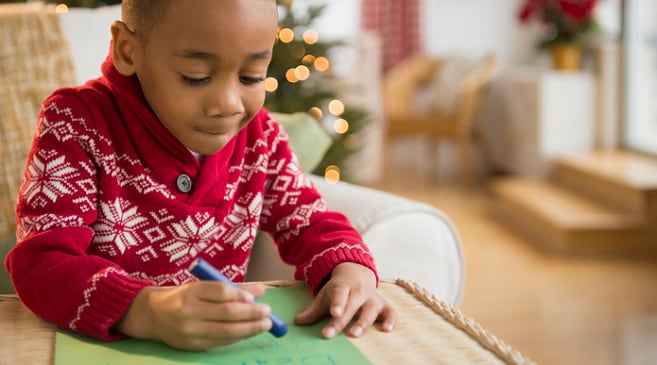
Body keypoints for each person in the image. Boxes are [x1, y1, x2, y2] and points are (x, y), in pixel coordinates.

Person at [4, 0, 396, 351]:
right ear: (128, 50)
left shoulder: (260, 137)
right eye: (195, 76)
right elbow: (42, 262)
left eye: (251, 77)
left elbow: (309, 220)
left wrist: (350, 271)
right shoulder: (76, 122)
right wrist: (145, 310)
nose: (227, 104)